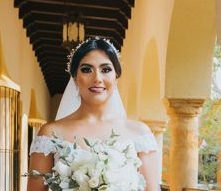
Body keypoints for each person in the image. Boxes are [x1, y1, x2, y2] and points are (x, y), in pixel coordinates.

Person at [28, 38, 159, 191]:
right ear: (75, 78)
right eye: (86, 69)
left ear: (116, 77)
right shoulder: (50, 134)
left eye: (106, 70)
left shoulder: (139, 134)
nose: (97, 78)